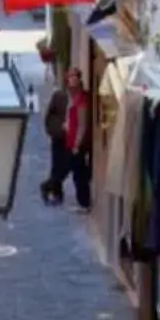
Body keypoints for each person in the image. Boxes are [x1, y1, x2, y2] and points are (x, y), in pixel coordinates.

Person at [40, 72, 73, 202]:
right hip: (59, 136)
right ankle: (56, 191)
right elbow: (50, 116)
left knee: (68, 164)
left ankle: (49, 186)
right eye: (70, 80)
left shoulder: (77, 97)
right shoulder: (59, 96)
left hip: (72, 136)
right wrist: (59, 128)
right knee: (58, 165)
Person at [65, 67, 93, 212]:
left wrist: (77, 144)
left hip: (78, 144)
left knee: (79, 174)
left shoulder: (81, 98)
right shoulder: (73, 96)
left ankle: (84, 203)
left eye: (74, 77)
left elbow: (83, 124)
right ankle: (82, 202)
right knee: (77, 173)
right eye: (70, 77)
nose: (72, 79)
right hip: (71, 141)